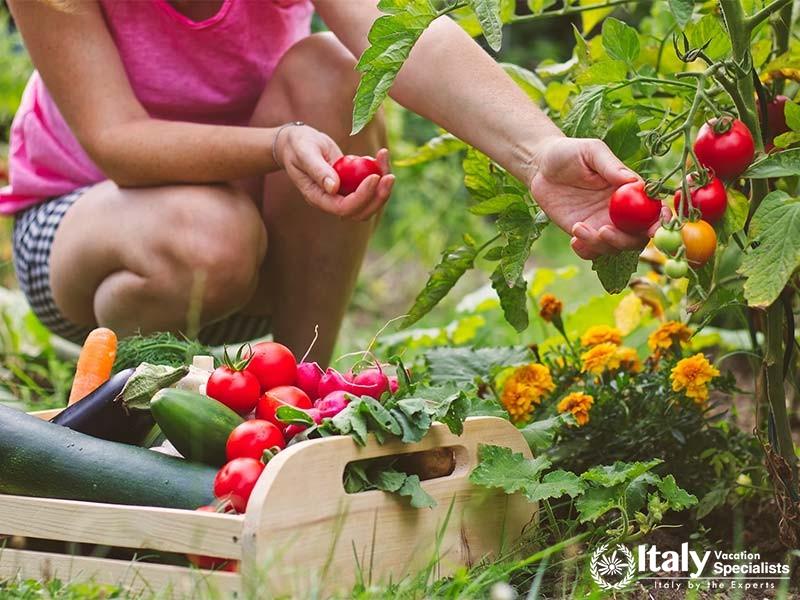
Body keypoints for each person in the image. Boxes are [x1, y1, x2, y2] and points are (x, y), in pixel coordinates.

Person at [3, 0, 660, 364]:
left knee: (335, 67)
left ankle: (297, 389)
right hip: (89, 240)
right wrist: (277, 143)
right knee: (206, 236)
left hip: (261, 239)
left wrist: (539, 149)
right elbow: (118, 142)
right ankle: (126, 401)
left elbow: (405, 41)